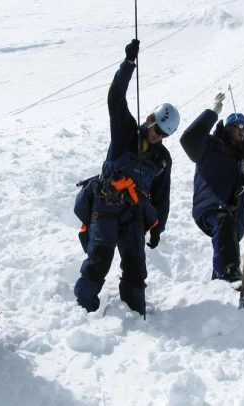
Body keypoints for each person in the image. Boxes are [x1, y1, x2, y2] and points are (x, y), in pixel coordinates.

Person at [73, 39, 179, 315]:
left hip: (134, 213)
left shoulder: (163, 159)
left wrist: (158, 227)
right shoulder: (126, 132)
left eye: (164, 135)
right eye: (157, 128)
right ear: (150, 119)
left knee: (136, 265)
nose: (158, 136)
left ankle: (135, 310)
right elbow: (115, 97)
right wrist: (128, 64)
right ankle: (82, 309)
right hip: (106, 205)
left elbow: (161, 195)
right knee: (100, 257)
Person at [180, 93, 244, 286]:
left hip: (236, 216)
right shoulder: (211, 145)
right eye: (239, 126)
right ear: (229, 127)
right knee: (223, 221)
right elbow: (189, 140)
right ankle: (229, 277)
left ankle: (218, 290)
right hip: (212, 205)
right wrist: (212, 113)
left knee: (226, 244)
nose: (243, 130)